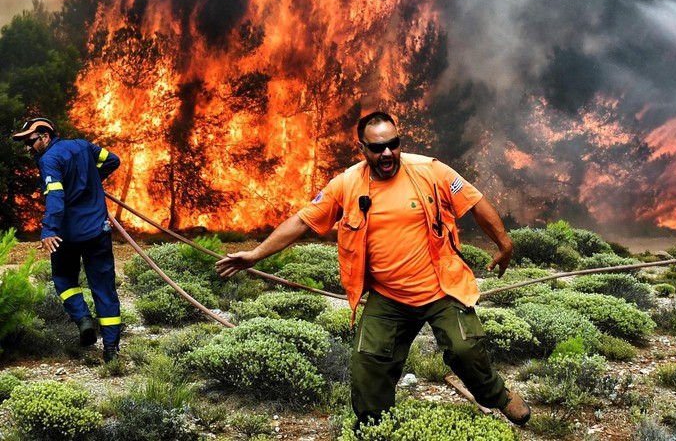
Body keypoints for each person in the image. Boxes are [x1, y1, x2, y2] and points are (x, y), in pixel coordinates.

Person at [215, 111, 530, 426]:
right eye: (378, 148)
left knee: (464, 351)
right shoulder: (347, 184)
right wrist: (255, 254)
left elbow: (475, 202)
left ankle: (498, 397)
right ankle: (376, 428)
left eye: (393, 144)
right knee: (367, 366)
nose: (388, 153)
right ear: (362, 149)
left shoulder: (430, 171)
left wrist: (505, 245)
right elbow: (302, 221)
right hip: (388, 296)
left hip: (441, 287)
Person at [13, 116, 123, 362]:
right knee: (104, 288)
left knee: (63, 279)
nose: (28, 148)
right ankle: (111, 349)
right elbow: (112, 160)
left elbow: (55, 196)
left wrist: (49, 230)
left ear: (46, 137)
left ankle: (83, 320)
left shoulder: (48, 159)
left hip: (67, 236)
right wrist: (91, 181)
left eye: (31, 142)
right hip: (97, 232)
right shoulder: (84, 146)